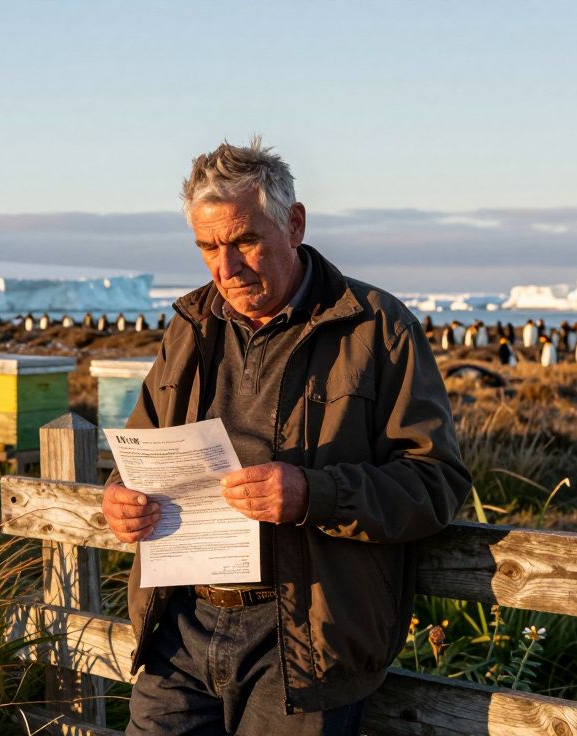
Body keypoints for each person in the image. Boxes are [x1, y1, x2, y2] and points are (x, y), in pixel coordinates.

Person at [102, 137, 471, 736]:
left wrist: (313, 495)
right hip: (180, 626)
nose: (226, 268)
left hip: (300, 638)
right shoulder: (189, 327)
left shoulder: (377, 328)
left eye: (244, 240)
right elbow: (139, 456)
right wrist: (121, 497)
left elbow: (435, 483)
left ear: (293, 223)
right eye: (207, 248)